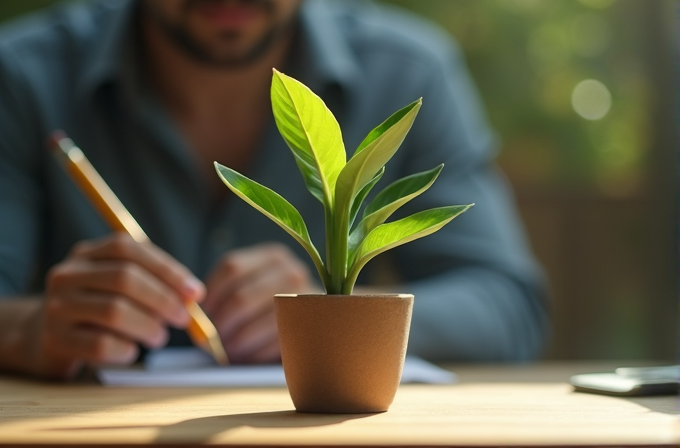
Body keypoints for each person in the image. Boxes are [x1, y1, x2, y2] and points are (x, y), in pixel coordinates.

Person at [0, 0, 549, 379]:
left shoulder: (407, 72)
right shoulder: (25, 74)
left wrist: (334, 319)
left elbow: (508, 307)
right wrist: (30, 330)